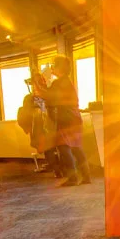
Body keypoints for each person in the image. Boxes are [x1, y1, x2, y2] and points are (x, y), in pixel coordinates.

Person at [36, 57, 90, 186]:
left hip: (66, 118)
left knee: (63, 147)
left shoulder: (59, 83)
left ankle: (73, 178)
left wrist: (38, 82)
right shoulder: (67, 82)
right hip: (75, 117)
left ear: (60, 68)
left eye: (54, 65)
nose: (52, 67)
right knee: (76, 147)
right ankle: (86, 177)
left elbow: (48, 96)